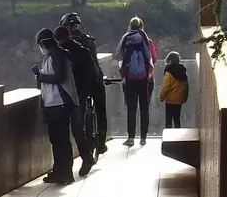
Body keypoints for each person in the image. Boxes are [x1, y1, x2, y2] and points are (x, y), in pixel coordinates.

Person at [31, 27, 94, 183]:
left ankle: (65, 173)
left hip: (60, 103)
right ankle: (58, 170)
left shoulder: (58, 55)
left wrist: (41, 77)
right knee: (56, 140)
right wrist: (40, 77)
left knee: (61, 140)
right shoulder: (51, 56)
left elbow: (59, 76)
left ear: (44, 43)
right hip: (53, 103)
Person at [59, 12, 108, 155]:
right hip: (95, 79)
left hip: (79, 83)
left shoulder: (66, 45)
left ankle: (86, 145)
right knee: (100, 110)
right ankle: (101, 143)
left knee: (78, 112)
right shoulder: (88, 40)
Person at [116, 16, 155, 146]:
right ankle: (143, 138)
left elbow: (120, 58)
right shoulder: (146, 40)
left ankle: (131, 138)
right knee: (144, 108)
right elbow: (153, 58)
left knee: (131, 109)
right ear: (141, 26)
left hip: (130, 80)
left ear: (130, 26)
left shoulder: (125, 39)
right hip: (144, 79)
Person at [159, 51, 190, 128]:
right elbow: (186, 86)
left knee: (168, 119)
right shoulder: (183, 71)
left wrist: (161, 97)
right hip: (179, 99)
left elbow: (165, 87)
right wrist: (185, 98)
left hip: (170, 100)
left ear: (169, 61)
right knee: (177, 119)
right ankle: (177, 136)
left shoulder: (169, 72)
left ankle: (168, 137)